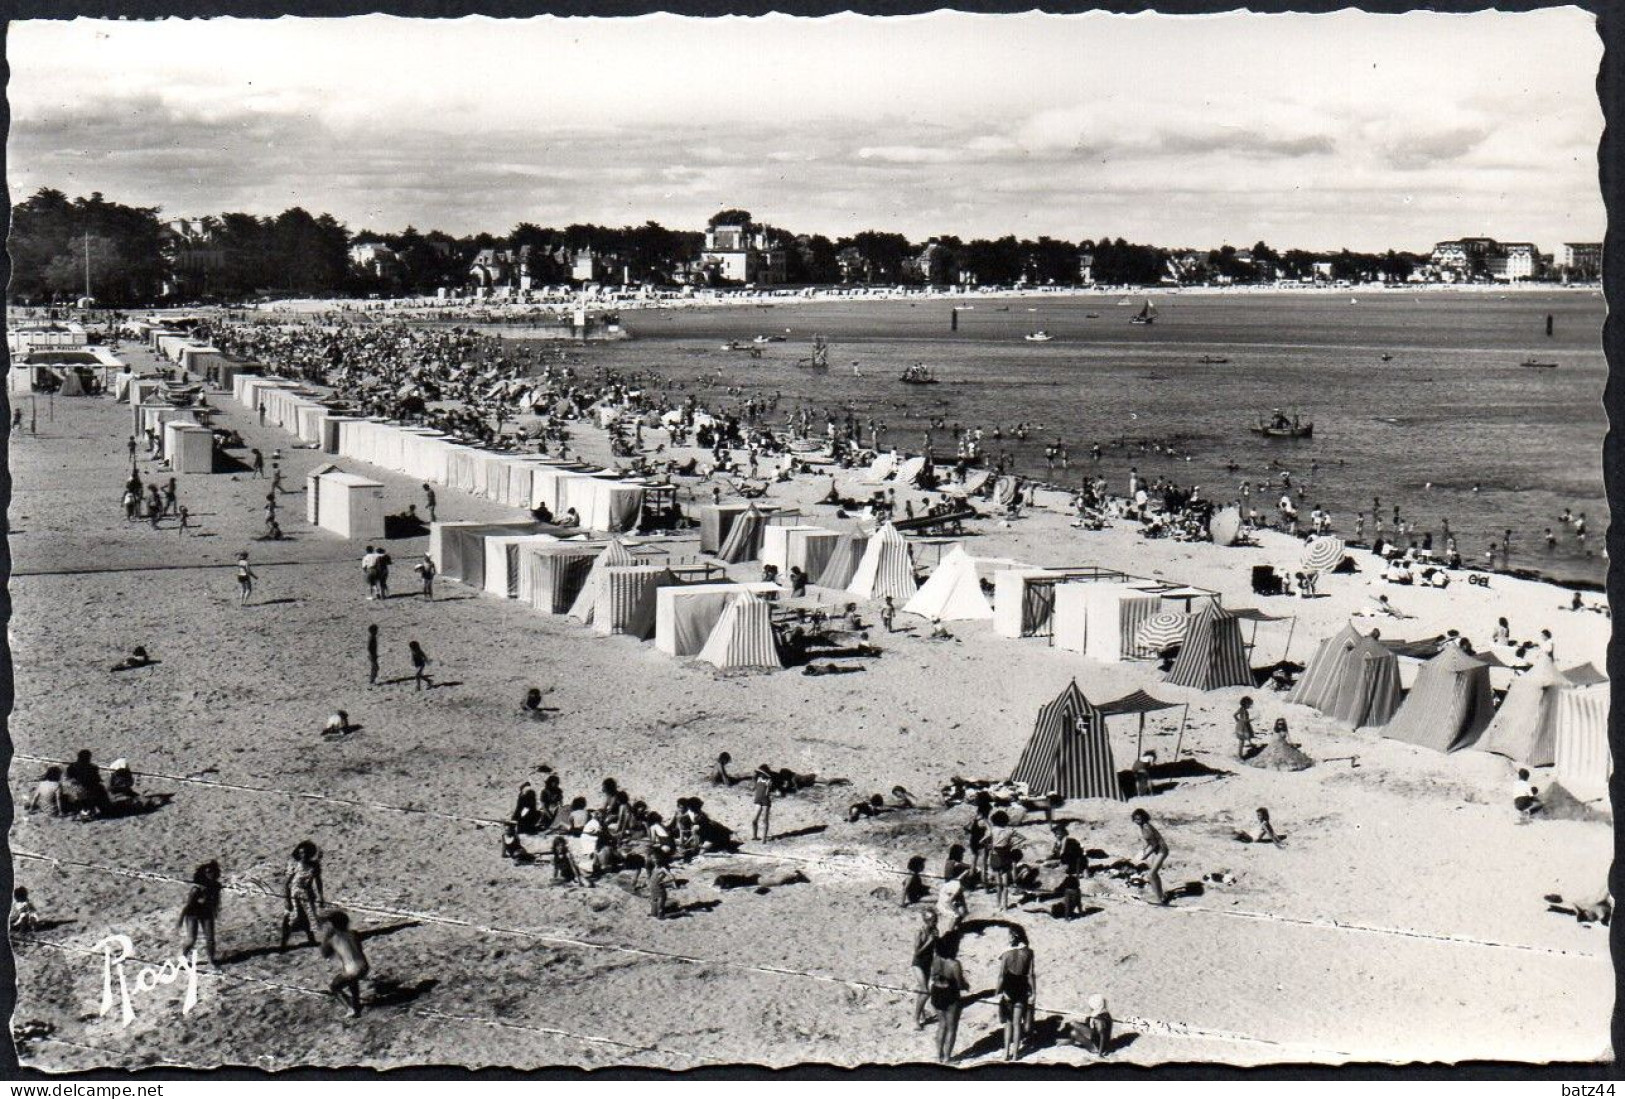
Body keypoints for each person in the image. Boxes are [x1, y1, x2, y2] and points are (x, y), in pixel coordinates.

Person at [996, 925, 1037, 1061]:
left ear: (1013, 936)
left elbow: (1001, 976)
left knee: (1008, 1024)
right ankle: (1015, 1054)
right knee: (1017, 1023)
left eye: (1008, 935)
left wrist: (997, 992)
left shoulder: (1006, 954)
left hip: (1008, 988)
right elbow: (1031, 975)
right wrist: (1034, 993)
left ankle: (1005, 1053)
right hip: (1022, 988)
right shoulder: (1029, 953)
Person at [319, 910, 369, 1018]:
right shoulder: (353, 933)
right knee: (353, 982)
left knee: (334, 987)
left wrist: (326, 937)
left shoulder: (332, 939)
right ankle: (356, 1004)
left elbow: (325, 954)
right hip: (364, 965)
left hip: (352, 969)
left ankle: (351, 1009)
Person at [928, 934, 969, 1063]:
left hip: (936, 992)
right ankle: (947, 1058)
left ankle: (938, 1055)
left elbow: (932, 976)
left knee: (941, 1025)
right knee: (952, 1027)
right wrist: (966, 985)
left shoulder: (935, 959)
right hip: (950, 994)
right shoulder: (954, 964)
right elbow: (959, 984)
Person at [280, 841, 325, 951]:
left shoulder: (314, 866)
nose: (303, 855)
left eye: (305, 853)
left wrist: (321, 896)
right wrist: (287, 900)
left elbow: (318, 882)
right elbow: (286, 883)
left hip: (308, 895)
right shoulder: (295, 865)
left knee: (307, 916)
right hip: (295, 894)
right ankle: (283, 944)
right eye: (301, 853)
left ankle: (311, 939)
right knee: (291, 918)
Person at [178, 861, 222, 966]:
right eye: (208, 872)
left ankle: (211, 960)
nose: (211, 874)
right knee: (191, 939)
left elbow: (216, 900)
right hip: (193, 913)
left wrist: (215, 911)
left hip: (206, 913)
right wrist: (181, 919)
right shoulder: (196, 889)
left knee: (210, 938)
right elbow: (188, 905)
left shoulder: (216, 886)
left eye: (212, 872)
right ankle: (183, 957)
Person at [1132, 808, 1169, 906]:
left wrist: (1146, 855)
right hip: (1157, 850)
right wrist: (1144, 849)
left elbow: (1155, 844)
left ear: (1143, 819)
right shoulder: (1143, 827)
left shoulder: (1146, 827)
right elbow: (1150, 842)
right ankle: (1161, 896)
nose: (1137, 821)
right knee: (1154, 874)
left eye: (1139, 819)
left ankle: (1159, 899)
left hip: (1161, 850)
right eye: (1135, 819)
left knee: (1151, 875)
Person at [910, 909, 939, 1028]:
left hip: (928, 963)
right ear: (927, 921)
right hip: (918, 963)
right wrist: (929, 942)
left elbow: (936, 949)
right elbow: (917, 953)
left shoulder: (935, 930)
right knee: (925, 992)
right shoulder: (920, 932)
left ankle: (921, 1014)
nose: (936, 923)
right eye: (933, 921)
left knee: (922, 991)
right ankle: (915, 1019)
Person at [751, 763, 774, 841]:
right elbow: (753, 788)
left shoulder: (769, 780)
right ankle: (755, 836)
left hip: (765, 801)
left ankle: (763, 839)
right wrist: (754, 779)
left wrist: (768, 786)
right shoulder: (758, 779)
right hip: (758, 800)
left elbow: (767, 793)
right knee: (754, 820)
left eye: (761, 773)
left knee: (765, 820)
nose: (760, 774)